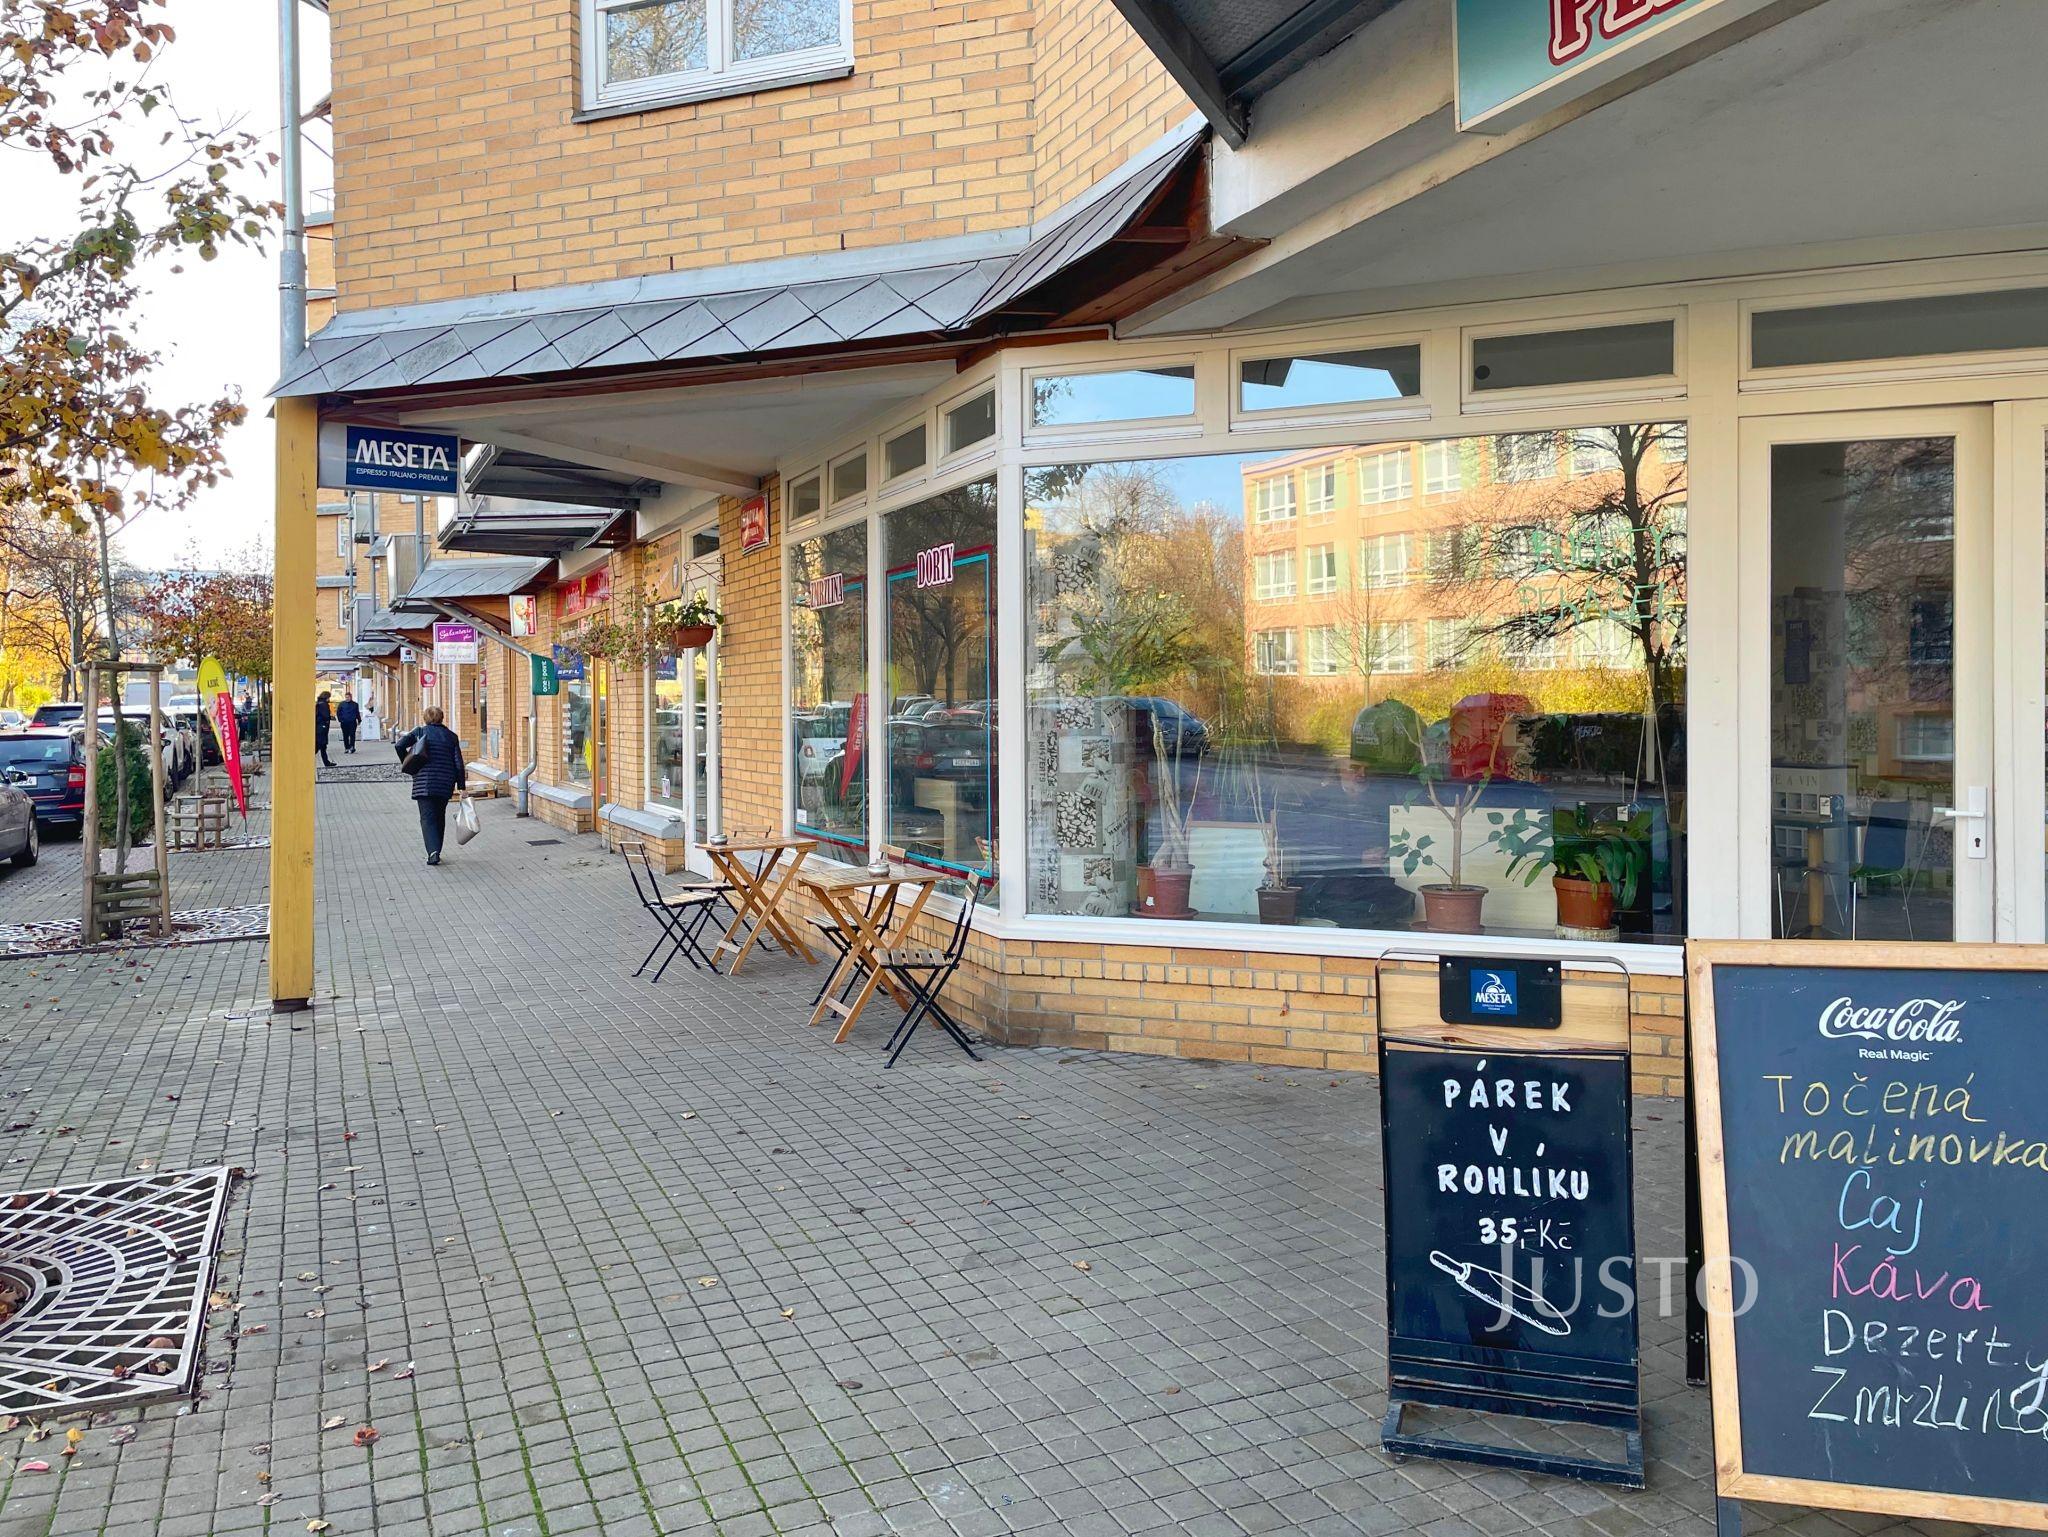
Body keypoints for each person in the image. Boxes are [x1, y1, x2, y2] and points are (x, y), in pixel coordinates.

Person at [396, 705, 468, 865]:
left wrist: (408, 763)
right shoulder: (451, 736)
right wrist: (462, 786)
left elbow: (399, 745)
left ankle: (433, 852)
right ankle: (437, 850)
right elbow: (458, 763)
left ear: (426, 718)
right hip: (445, 782)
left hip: (424, 782)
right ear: (442, 718)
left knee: (427, 818)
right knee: (439, 816)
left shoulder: (419, 732)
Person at [315, 690, 334, 768]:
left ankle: (326, 762)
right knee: (320, 746)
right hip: (322, 728)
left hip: (318, 727)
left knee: (321, 747)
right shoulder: (324, 705)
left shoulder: (318, 703)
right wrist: (329, 718)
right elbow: (325, 715)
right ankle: (326, 762)